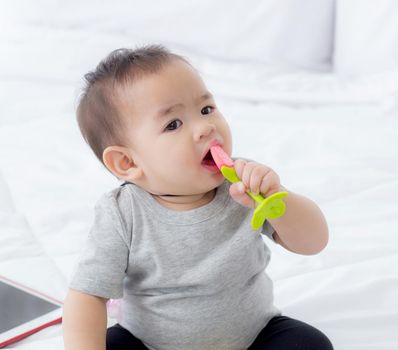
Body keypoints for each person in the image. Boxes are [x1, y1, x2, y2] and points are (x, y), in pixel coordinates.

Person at [62, 45, 333, 350]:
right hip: (150, 343)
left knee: (310, 344)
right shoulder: (122, 214)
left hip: (254, 337)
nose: (206, 127)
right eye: (173, 124)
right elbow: (87, 296)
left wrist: (277, 199)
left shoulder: (245, 187)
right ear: (128, 163)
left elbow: (314, 242)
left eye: (206, 109)